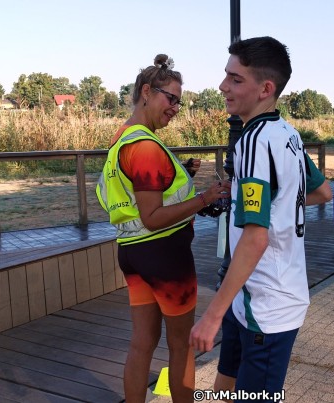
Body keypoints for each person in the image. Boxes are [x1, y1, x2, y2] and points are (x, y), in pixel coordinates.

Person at [189, 36, 331, 402]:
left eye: (235, 79)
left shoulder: (253, 142)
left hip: (267, 306)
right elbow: (321, 191)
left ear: (266, 89)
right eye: (226, 75)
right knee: (226, 380)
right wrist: (255, 197)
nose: (222, 86)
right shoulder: (288, 134)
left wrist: (211, 315)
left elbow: (256, 238)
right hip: (247, 294)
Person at [96, 54, 230, 403]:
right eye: (170, 98)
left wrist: (182, 171)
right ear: (146, 92)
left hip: (132, 251)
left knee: (142, 342)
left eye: (179, 102)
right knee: (182, 344)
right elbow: (153, 216)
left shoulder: (122, 139)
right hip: (165, 255)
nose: (175, 108)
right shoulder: (146, 146)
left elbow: (138, 194)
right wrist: (206, 197)